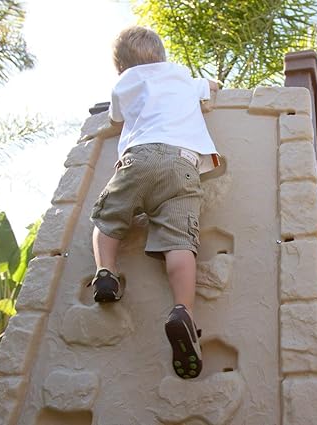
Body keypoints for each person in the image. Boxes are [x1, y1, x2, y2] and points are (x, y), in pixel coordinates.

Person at [81, 26, 220, 380]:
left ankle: (106, 273)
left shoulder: (124, 83)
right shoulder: (183, 77)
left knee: (108, 219)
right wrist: (209, 89)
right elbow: (212, 89)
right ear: (162, 55)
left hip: (138, 158)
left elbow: (114, 118)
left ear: (122, 65)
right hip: (183, 164)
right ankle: (183, 311)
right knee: (180, 243)